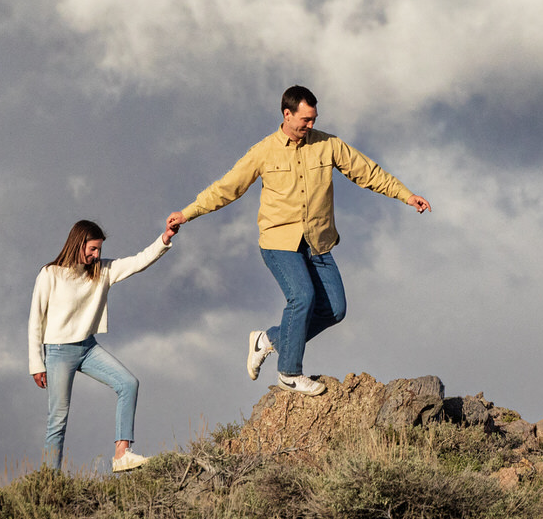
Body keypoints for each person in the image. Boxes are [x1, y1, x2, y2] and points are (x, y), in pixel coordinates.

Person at [165, 84, 429, 396]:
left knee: (335, 309)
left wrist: (406, 195)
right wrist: (187, 213)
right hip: (279, 242)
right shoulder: (264, 151)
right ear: (287, 115)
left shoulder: (328, 144)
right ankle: (289, 373)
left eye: (314, 118)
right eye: (305, 119)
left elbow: (368, 172)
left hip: (317, 241)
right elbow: (227, 188)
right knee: (302, 297)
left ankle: (268, 339)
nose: (310, 124)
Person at [29, 217, 173, 471]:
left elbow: (139, 261)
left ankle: (122, 454)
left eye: (99, 250)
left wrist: (165, 239)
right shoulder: (50, 274)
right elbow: (35, 320)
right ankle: (49, 481)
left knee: (128, 383)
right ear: (77, 243)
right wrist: (36, 363)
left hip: (88, 348)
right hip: (58, 351)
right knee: (58, 420)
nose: (96, 255)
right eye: (92, 248)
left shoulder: (102, 271)